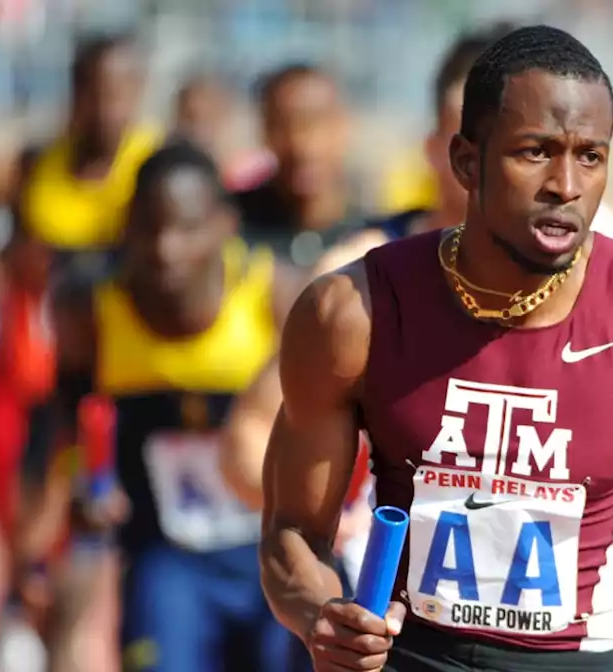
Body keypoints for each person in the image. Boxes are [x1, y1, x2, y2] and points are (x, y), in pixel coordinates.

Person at [260, 25, 613, 672]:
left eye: (591, 156)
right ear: (466, 160)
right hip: (410, 657)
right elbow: (291, 530)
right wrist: (319, 615)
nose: (566, 183)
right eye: (536, 152)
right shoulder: (353, 313)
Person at [31, 141, 307, 672]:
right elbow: (65, 416)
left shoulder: (272, 296)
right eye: (150, 228)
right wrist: (85, 488)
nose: (165, 249)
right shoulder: (92, 310)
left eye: (185, 229)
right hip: (166, 563)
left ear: (224, 223)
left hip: (268, 559)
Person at [0, 31, 161, 670]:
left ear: (139, 93)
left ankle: (54, 638)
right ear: (74, 92)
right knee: (24, 549)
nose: (106, 105)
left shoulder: (152, 171)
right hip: (22, 387)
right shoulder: (31, 169)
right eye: (93, 89)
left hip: (103, 393)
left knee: (80, 553)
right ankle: (19, 625)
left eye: (121, 89)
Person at [234, 63, 366, 269]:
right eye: (282, 126)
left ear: (343, 126)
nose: (300, 144)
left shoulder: (371, 239)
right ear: (264, 132)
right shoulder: (233, 226)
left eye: (314, 122)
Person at [172, 71, 275, 191]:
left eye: (208, 117)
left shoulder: (258, 173)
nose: (200, 130)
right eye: (190, 118)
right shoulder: (177, 173)